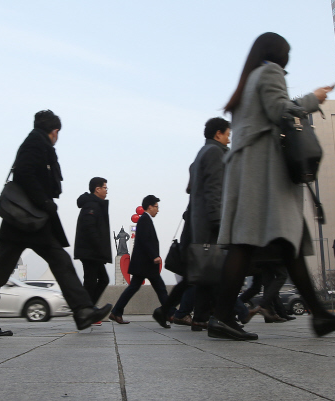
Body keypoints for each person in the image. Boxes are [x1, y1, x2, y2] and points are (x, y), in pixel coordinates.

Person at [212, 32, 335, 341]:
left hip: (247, 168)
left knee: (276, 242)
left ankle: (318, 315)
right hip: (263, 170)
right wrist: (313, 99)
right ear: (279, 53)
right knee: (269, 240)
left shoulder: (247, 81)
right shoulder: (270, 71)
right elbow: (280, 111)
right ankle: (222, 317)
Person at [0, 110, 111, 336]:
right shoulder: (36, 144)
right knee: (57, 262)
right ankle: (82, 310)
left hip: (25, 220)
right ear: (54, 131)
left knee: (8, 270)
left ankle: (82, 311)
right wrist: (45, 202)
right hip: (30, 219)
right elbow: (25, 175)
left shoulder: (34, 142)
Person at [153, 118, 231, 330]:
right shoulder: (215, 153)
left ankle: (192, 317)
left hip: (198, 222)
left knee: (199, 274)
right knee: (207, 271)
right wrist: (217, 220)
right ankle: (203, 317)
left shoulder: (201, 154)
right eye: (227, 134)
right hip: (208, 222)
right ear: (217, 134)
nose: (228, 139)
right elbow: (214, 190)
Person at [110, 195, 169, 325]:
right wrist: (154, 256)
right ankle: (170, 313)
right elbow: (145, 240)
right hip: (145, 263)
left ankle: (116, 311)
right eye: (156, 207)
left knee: (138, 288)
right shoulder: (144, 220)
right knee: (160, 288)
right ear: (150, 206)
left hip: (144, 264)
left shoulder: (145, 220)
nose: (157, 210)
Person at [74, 177, 112, 326]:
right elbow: (89, 228)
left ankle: (89, 310)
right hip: (90, 252)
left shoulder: (95, 204)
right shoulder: (91, 205)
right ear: (97, 189)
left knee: (101, 280)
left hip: (93, 252)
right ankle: (85, 311)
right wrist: (99, 248)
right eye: (105, 188)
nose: (106, 191)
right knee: (92, 281)